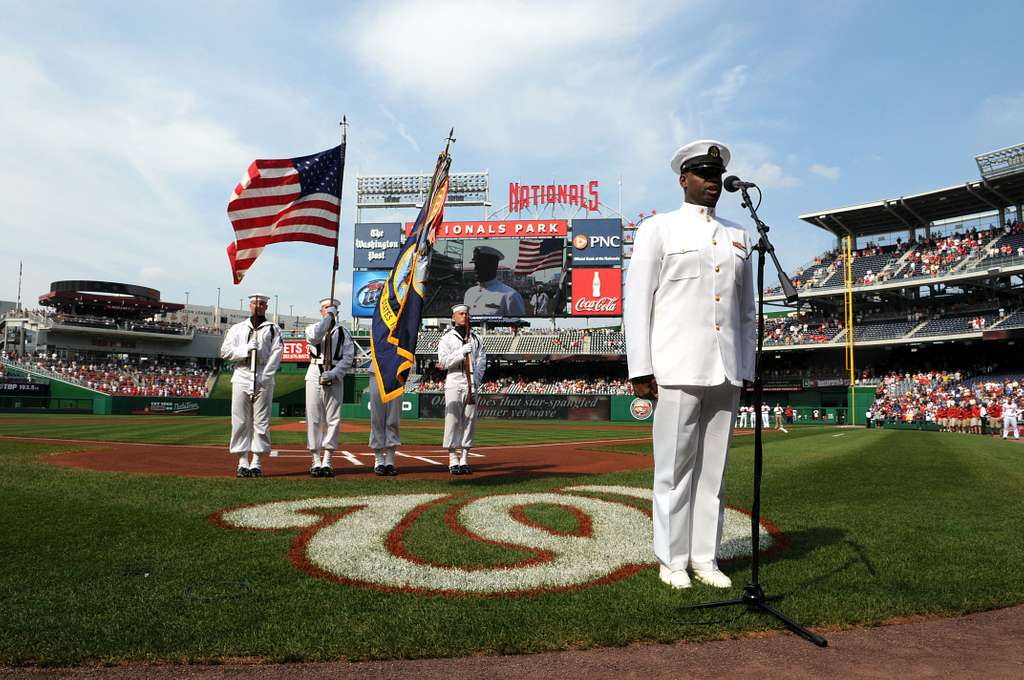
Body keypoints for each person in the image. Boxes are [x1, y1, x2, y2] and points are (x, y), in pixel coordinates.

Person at [624, 139, 755, 590]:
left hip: (726, 368)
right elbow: (637, 302)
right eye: (702, 174)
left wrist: (748, 367)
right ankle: (672, 559)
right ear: (683, 179)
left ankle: (705, 557)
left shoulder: (739, 234)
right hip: (676, 366)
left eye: (716, 176)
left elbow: (745, 310)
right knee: (674, 470)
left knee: (712, 472)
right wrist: (640, 367)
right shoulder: (657, 229)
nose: (712, 182)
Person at [219, 294, 284, 478]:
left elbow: (277, 353)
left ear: (266, 306)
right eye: (255, 303)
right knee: (240, 420)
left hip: (263, 373)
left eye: (262, 303)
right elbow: (225, 351)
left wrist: (265, 375)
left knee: (261, 421)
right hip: (242, 373)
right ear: (250, 305)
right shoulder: (237, 328)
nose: (258, 306)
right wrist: (245, 349)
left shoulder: (273, 329)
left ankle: (256, 461)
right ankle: (242, 461)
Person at [304, 297, 355, 478]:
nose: (329, 311)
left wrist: (335, 373)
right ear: (321, 311)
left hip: (334, 374)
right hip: (314, 372)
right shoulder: (311, 328)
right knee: (314, 418)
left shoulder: (344, 332)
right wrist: (328, 318)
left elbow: (348, 357)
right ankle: (315, 459)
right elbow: (316, 335)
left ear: (338, 312)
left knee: (333, 419)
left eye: (332, 309)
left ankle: (327, 459)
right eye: (326, 308)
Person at [437, 304, 486, 474]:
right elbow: (443, 363)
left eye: (466, 314)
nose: (465, 316)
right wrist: (460, 353)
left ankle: (464, 458)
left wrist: (476, 379)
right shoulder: (447, 338)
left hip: (471, 382)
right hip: (454, 379)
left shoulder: (476, 338)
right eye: (461, 314)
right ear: (454, 317)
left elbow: (481, 360)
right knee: (453, 421)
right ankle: (452, 459)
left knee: (469, 421)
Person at [463, 246, 526, 317]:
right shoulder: (469, 293)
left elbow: (518, 325)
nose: (476, 269)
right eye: (475, 264)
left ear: (494, 266)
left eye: (481, 265)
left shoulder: (510, 296)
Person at [367, 359, 402, 476]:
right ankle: (379, 460)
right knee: (377, 418)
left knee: (393, 418)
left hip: (397, 369)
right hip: (377, 368)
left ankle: (390, 461)